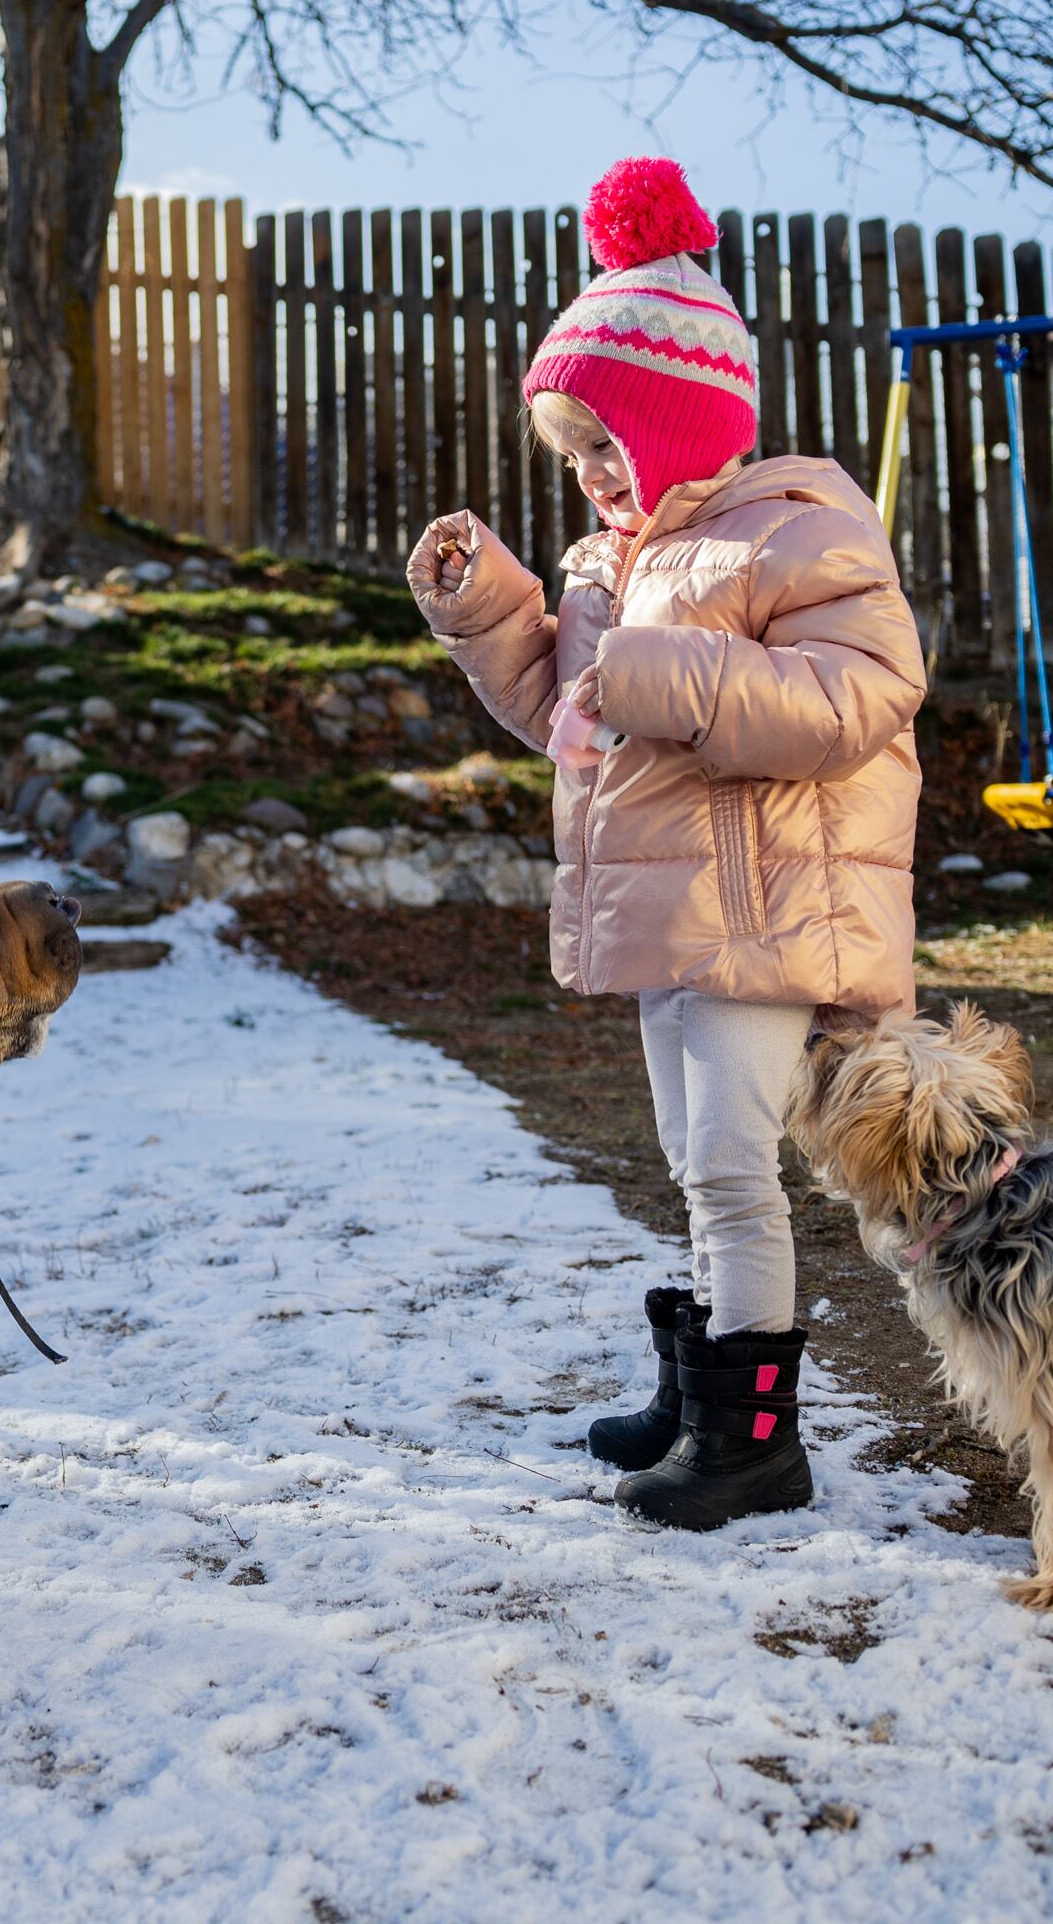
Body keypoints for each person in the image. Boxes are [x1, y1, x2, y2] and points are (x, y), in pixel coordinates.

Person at [406, 156, 925, 1530]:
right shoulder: (605, 563)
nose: (585, 476)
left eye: (601, 445)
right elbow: (566, 723)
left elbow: (858, 699)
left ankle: (757, 1442)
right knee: (690, 1158)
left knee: (735, 1170)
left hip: (762, 916)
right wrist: (492, 607)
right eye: (569, 456)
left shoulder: (798, 524)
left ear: (681, 418)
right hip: (669, 919)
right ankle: (700, 1395)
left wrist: (657, 674)